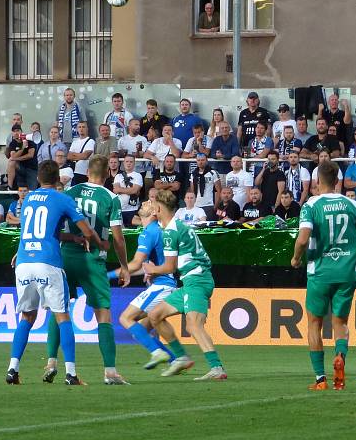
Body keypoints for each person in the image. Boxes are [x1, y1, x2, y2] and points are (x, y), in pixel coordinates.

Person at [6, 160, 109, 386]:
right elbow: (86, 228)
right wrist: (99, 242)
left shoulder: (29, 198)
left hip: (24, 261)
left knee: (27, 317)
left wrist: (70, 238)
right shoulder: (63, 199)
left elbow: (34, 230)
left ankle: (13, 369)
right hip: (48, 262)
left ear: (38, 179)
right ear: (57, 179)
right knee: (62, 316)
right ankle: (71, 374)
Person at [40, 155, 130, 385]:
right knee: (103, 314)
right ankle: (110, 371)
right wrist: (124, 266)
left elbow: (52, 229)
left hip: (67, 255)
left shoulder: (70, 192)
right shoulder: (111, 198)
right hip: (93, 260)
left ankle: (51, 361)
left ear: (87, 171)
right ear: (108, 174)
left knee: (59, 309)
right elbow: (118, 239)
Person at [291, 160, 356, 391]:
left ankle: (320, 379)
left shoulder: (311, 205)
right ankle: (340, 356)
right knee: (340, 323)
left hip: (319, 271)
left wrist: (295, 258)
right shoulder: (352, 205)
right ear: (337, 181)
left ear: (317, 181)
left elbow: (303, 239)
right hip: (345, 273)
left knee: (314, 323)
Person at [145, 189, 227, 381]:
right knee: (155, 315)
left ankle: (216, 367)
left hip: (196, 280)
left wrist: (152, 269)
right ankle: (181, 357)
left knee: (194, 325)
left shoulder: (171, 231)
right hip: (192, 280)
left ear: (158, 207)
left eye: (153, 204)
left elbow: (169, 267)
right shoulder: (178, 226)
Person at [115, 201, 178, 365]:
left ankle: (158, 353)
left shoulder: (149, 232)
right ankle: (175, 360)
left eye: (149, 204)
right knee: (140, 330)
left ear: (154, 213)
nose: (143, 203)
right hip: (164, 283)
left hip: (163, 285)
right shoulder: (156, 231)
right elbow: (145, 267)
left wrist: (106, 275)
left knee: (125, 318)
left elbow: (136, 264)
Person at [113, 154, 143, 226]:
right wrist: (129, 190)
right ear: (124, 163)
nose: (129, 163)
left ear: (134, 163)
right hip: (119, 208)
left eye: (131, 162)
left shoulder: (138, 175)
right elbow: (115, 190)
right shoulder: (118, 176)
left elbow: (135, 191)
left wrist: (121, 190)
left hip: (132, 209)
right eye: (127, 161)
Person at [189, 152, 220, 220]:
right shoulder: (193, 174)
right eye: (198, 160)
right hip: (197, 205)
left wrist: (215, 206)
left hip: (209, 205)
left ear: (206, 161)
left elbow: (218, 190)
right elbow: (192, 191)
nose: (200, 162)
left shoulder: (213, 173)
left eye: (202, 160)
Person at [6, 124, 38, 190]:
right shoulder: (13, 143)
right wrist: (23, 148)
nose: (16, 133)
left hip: (32, 168)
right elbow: (13, 156)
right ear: (12, 133)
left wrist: (16, 158)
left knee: (32, 190)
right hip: (21, 168)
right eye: (14, 131)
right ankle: (9, 187)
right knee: (11, 163)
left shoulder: (29, 140)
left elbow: (30, 155)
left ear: (21, 131)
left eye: (18, 130)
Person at [67, 121, 96, 185]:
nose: (81, 129)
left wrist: (74, 155)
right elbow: (69, 156)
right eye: (79, 127)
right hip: (75, 171)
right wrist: (80, 155)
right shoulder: (75, 142)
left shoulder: (91, 141)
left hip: (85, 173)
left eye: (83, 127)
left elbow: (85, 156)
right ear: (77, 129)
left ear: (87, 129)